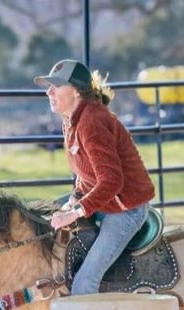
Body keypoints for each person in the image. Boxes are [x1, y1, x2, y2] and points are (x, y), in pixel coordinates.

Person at [34, 59, 156, 295]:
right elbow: (86, 174)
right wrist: (74, 198)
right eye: (49, 86)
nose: (49, 92)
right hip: (102, 201)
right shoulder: (72, 119)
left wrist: (75, 211)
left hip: (124, 209)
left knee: (84, 282)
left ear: (77, 91)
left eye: (56, 86)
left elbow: (112, 181)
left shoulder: (91, 121)